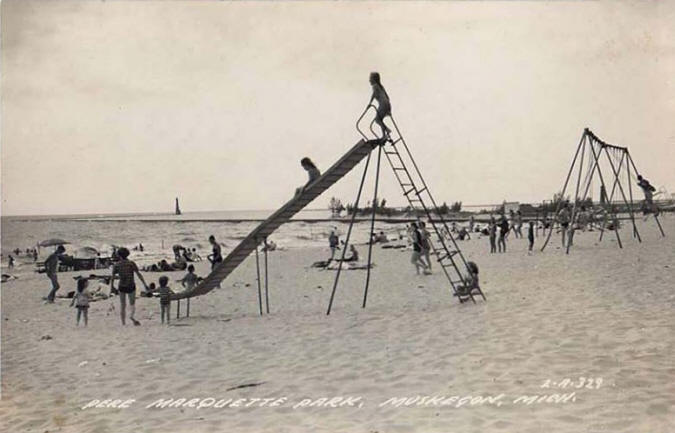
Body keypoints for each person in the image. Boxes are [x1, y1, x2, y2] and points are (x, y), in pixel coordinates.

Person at [110, 247, 148, 326]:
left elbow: (113, 277)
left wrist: (112, 287)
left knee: (123, 305)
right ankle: (131, 316)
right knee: (132, 303)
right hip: (131, 285)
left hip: (121, 286)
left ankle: (123, 323)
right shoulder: (131, 263)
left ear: (119, 255)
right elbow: (138, 274)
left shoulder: (116, 265)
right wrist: (144, 284)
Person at [368, 72, 392, 139]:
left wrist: (369, 103)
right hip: (387, 104)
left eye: (370, 78)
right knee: (380, 120)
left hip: (383, 105)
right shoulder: (381, 87)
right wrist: (389, 109)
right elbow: (387, 97)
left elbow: (374, 94)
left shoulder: (375, 86)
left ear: (374, 79)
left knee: (377, 120)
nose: (369, 80)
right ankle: (384, 135)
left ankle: (387, 129)